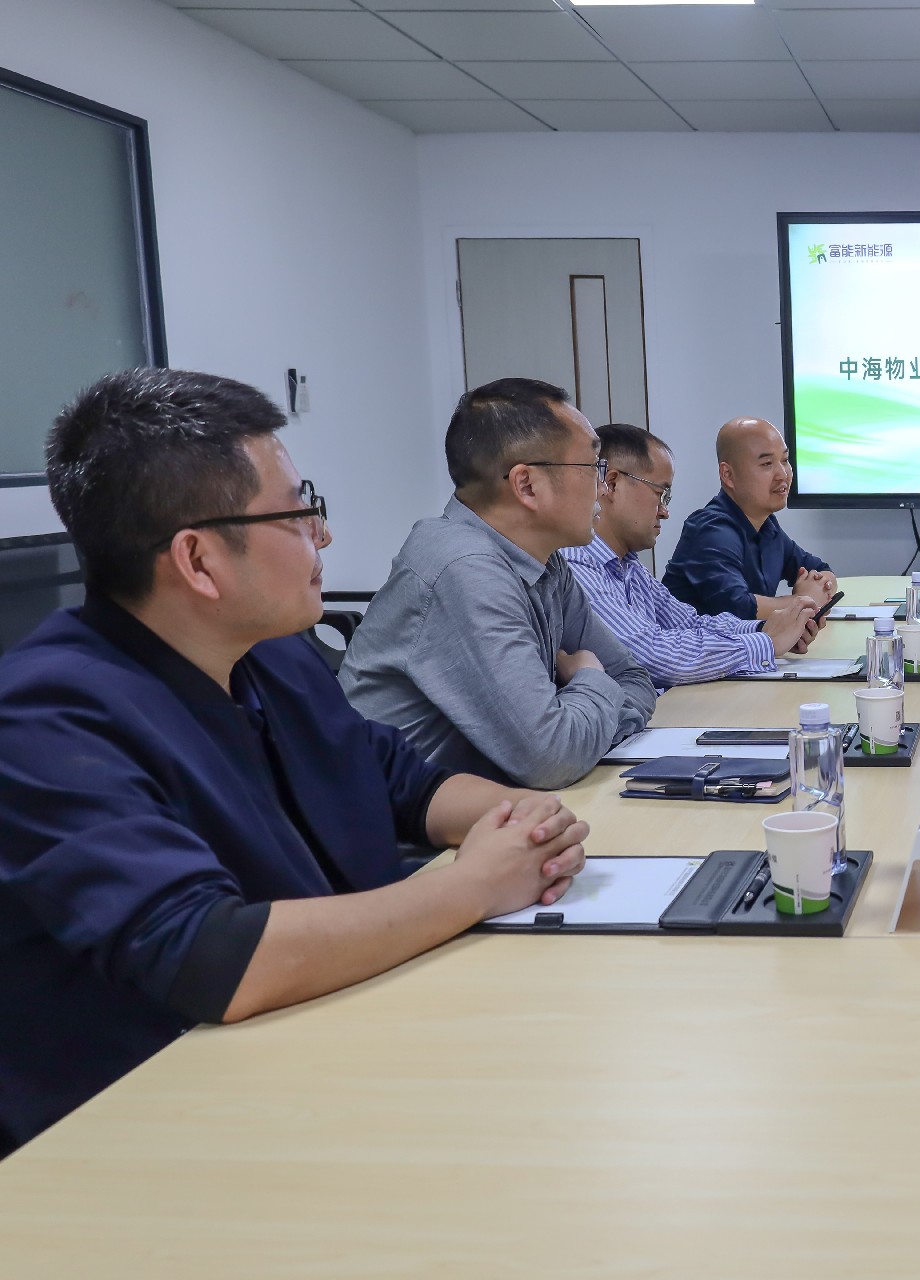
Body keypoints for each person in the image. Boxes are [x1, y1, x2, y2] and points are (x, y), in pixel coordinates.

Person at [0, 369, 589, 1156]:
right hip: (155, 1130)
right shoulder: (46, 717)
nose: (324, 535)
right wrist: (473, 885)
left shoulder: (273, 656)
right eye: (297, 511)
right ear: (199, 560)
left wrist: (519, 823)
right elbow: (211, 957)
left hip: (335, 1046)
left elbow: (401, 780)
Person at [342, 379, 656, 789]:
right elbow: (552, 759)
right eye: (592, 466)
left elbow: (634, 680)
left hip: (495, 806)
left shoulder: (546, 562)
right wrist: (590, 678)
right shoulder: (464, 568)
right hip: (403, 826)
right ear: (526, 485)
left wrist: (584, 727)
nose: (602, 486)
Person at [563, 424, 820, 687]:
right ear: (612, 484)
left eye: (785, 461)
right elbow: (652, 656)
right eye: (660, 493)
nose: (664, 512)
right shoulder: (577, 564)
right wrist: (768, 642)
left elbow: (688, 623)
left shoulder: (628, 565)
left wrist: (765, 629)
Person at [661, 416, 835, 621]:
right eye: (767, 464)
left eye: (785, 460)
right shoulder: (711, 530)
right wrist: (804, 600)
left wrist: (820, 588)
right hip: (694, 641)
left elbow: (822, 570)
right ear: (728, 474)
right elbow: (738, 608)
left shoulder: (767, 525)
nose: (783, 474)